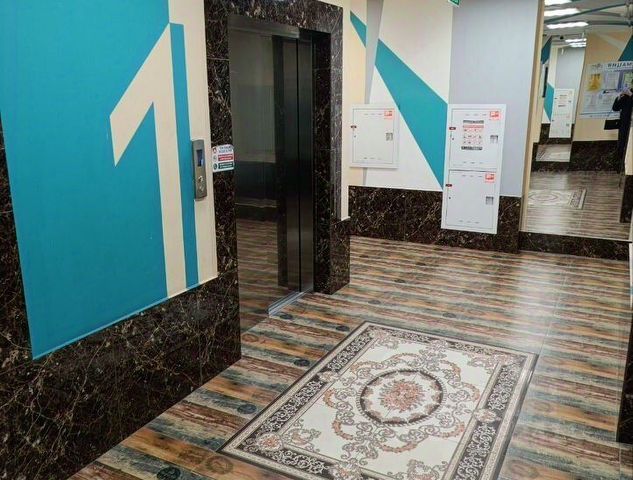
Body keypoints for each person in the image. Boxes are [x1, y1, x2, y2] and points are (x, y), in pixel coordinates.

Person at [612, 86, 633, 173]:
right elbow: (615, 108)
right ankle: (620, 167)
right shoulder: (626, 95)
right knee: (622, 145)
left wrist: (631, 95)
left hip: (631, 125)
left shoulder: (630, 94)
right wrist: (619, 97)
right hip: (624, 125)